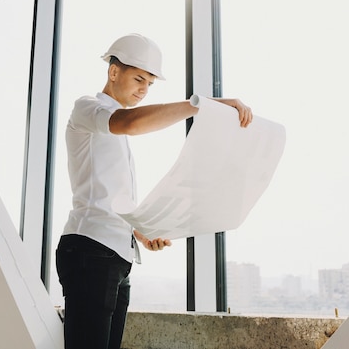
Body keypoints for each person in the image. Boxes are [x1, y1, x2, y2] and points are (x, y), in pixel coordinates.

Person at [55, 33, 252, 349]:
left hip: (116, 256)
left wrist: (140, 232)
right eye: (138, 78)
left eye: (150, 83)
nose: (144, 89)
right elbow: (130, 122)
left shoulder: (113, 129)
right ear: (113, 71)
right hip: (89, 250)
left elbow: (106, 195)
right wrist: (201, 106)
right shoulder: (89, 109)